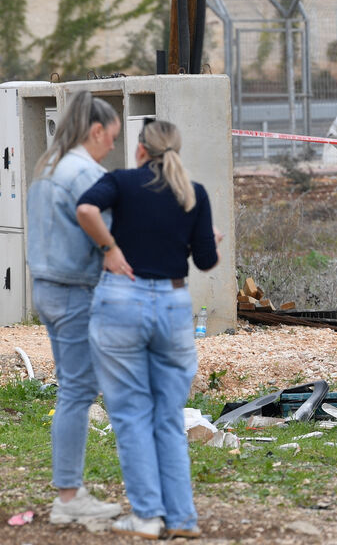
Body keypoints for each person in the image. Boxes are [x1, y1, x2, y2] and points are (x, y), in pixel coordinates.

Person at [75, 119, 220, 539]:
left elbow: (85, 209)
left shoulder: (120, 181)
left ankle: (146, 516)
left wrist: (111, 248)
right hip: (173, 306)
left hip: (123, 299)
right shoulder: (194, 193)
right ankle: (182, 519)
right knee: (167, 417)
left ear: (140, 150)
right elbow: (207, 261)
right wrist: (211, 239)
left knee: (131, 415)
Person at [24, 91, 123, 525]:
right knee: (78, 392)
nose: (113, 147)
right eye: (112, 137)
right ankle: (68, 497)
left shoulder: (48, 167)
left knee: (76, 387)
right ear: (96, 130)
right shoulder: (85, 172)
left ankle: (71, 492)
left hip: (46, 287)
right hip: (75, 290)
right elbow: (102, 223)